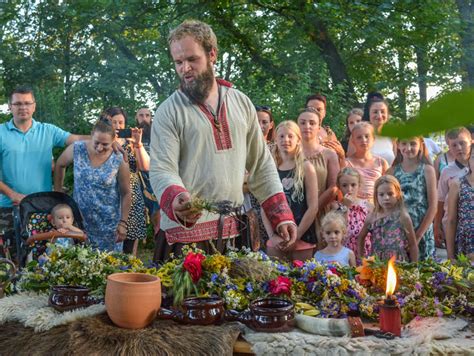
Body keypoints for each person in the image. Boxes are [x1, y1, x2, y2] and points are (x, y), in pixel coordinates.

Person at [149, 20, 296, 262]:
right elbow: (162, 169)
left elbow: (262, 164)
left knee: (234, 299)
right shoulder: (168, 111)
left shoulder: (241, 102)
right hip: (186, 238)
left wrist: (281, 215)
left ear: (212, 54)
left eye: (192, 59)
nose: (184, 68)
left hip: (234, 231)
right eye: (178, 62)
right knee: (180, 301)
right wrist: (177, 199)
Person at [54, 119, 131, 252]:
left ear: (114, 141)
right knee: (79, 263)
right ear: (91, 135)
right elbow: (60, 164)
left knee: (109, 266)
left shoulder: (118, 159)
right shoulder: (77, 149)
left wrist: (123, 223)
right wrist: (59, 193)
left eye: (105, 144)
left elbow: (126, 193)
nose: (100, 147)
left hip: (109, 225)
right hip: (79, 222)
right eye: (96, 142)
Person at [263, 121, 318, 261]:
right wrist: (272, 236)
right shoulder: (271, 168)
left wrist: (296, 236)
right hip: (277, 238)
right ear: (275, 139)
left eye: (290, 136)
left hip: (302, 236)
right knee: (275, 280)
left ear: (298, 140)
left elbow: (313, 207)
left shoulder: (306, 167)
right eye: (281, 136)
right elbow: (264, 206)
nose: (285, 140)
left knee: (302, 279)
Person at [104, 107, 148, 256]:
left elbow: (144, 167)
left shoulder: (130, 143)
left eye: (121, 123)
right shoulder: (101, 142)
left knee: (129, 250)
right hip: (109, 197)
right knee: (108, 245)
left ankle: (128, 274)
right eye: (113, 122)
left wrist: (138, 144)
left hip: (132, 196)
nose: (117, 126)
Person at [388, 137, 437, 260]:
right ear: (398, 145)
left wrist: (418, 236)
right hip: (399, 232)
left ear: (421, 145)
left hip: (422, 231)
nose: (408, 148)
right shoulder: (391, 172)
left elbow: (433, 207)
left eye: (413, 144)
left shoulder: (427, 170)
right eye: (404, 143)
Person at [357, 175, 418, 262]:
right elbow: (361, 238)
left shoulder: (402, 216)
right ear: (376, 196)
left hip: (398, 262)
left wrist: (414, 265)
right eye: (381, 194)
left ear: (397, 194)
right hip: (377, 262)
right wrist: (361, 259)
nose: (386, 198)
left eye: (390, 194)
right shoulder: (372, 217)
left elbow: (413, 244)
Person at [435, 127, 472, 248]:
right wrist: (437, 226)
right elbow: (440, 200)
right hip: (451, 225)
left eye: (462, 143)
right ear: (449, 147)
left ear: (471, 140)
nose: (459, 148)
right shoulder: (446, 172)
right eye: (454, 145)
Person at [298, 108, 339, 212]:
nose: (307, 126)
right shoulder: (289, 153)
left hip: (320, 212)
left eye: (312, 123)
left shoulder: (330, 154)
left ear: (319, 127)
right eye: (303, 122)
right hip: (292, 213)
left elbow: (333, 187)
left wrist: (312, 211)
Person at [330, 167, 372, 257]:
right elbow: (341, 230)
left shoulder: (367, 205)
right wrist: (346, 207)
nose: (349, 189)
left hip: (365, 251)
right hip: (346, 252)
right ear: (339, 186)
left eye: (353, 185)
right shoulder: (336, 206)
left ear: (359, 185)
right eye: (345, 185)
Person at [345, 122, 388, 203]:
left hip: (377, 206)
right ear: (353, 141)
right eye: (359, 137)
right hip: (354, 206)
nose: (363, 140)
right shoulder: (346, 163)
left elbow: (388, 187)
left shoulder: (381, 163)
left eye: (367, 136)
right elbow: (340, 189)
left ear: (373, 139)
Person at [446, 144, 474, 262]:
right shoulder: (457, 184)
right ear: (468, 159)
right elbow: (451, 220)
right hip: (465, 244)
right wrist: (450, 256)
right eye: (473, 156)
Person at [135, 107, 161, 235]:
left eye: (147, 115)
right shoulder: (131, 136)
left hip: (156, 179)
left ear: (151, 118)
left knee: (158, 217)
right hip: (138, 180)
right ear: (136, 118)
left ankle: (160, 246)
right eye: (141, 115)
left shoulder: (158, 135)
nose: (144, 118)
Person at [305, 94, 345, 166]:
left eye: (319, 109)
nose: (315, 112)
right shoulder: (296, 131)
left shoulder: (330, 134)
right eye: (311, 109)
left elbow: (340, 162)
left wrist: (341, 154)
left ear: (324, 113)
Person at [366, 98, 396, 166]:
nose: (379, 116)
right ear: (369, 114)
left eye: (382, 111)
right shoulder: (359, 134)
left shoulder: (392, 136)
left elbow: (397, 164)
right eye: (375, 112)